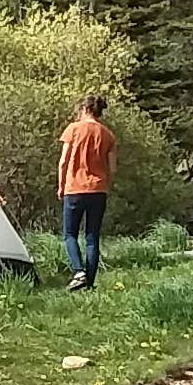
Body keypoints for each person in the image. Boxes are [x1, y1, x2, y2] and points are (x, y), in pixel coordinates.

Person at [56, 92, 117, 289]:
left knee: (70, 234)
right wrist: (107, 184)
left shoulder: (73, 129)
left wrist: (60, 184)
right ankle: (89, 283)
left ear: (84, 109)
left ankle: (78, 271)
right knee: (92, 236)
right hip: (98, 189)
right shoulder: (107, 135)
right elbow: (113, 168)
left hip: (74, 188)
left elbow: (64, 161)